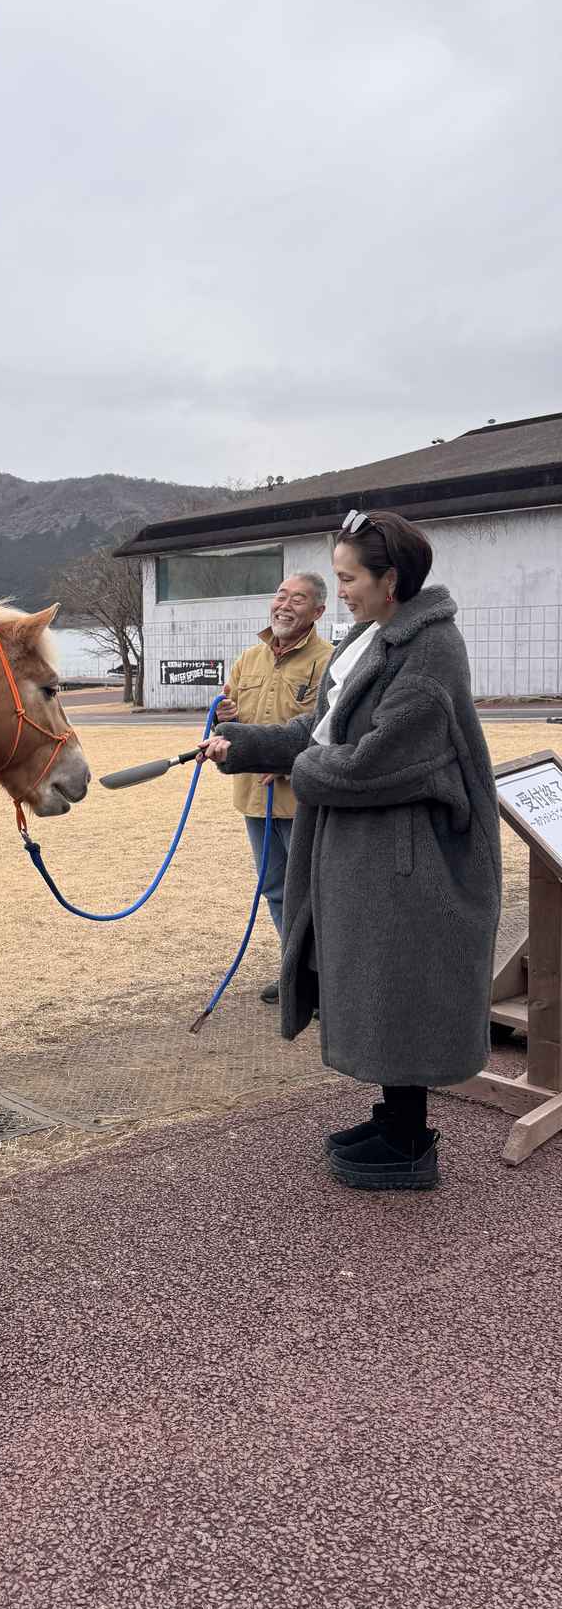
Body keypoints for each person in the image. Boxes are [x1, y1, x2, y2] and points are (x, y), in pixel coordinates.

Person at [199, 510, 501, 1190]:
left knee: (400, 985)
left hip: (410, 858)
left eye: (348, 578)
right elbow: (320, 729)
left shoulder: (431, 650)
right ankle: (395, 1116)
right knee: (378, 982)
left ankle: (410, 1142)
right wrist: (243, 744)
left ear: (390, 580)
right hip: (370, 853)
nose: (342, 592)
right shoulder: (371, 637)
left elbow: (379, 762)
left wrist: (299, 772)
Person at [214, 574, 334, 1003]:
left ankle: (326, 982)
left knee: (314, 892)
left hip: (302, 797)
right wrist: (222, 716)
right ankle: (296, 972)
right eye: (280, 596)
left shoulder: (329, 662)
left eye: (298, 599)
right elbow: (230, 726)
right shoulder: (247, 659)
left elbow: (329, 733)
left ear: (318, 612)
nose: (285, 605)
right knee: (275, 887)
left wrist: (283, 763)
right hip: (254, 798)